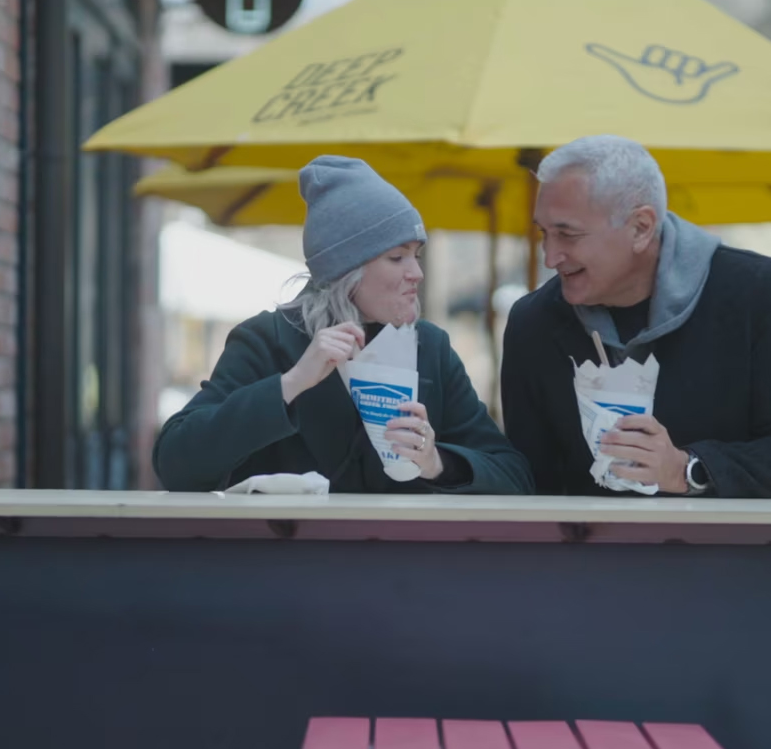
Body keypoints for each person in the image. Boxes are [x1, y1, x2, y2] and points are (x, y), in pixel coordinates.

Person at [154, 156, 533, 496]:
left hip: (406, 567)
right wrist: (291, 384)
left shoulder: (429, 348)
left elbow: (514, 476)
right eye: (397, 257)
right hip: (284, 562)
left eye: (416, 256)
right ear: (345, 271)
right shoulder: (266, 340)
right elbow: (176, 464)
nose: (416, 273)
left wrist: (436, 462)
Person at [499, 135, 771, 498]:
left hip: (732, 552)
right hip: (586, 554)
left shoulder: (759, 292)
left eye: (568, 235)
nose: (550, 257)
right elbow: (529, 481)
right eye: (544, 234)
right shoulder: (532, 322)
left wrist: (688, 469)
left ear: (641, 227)